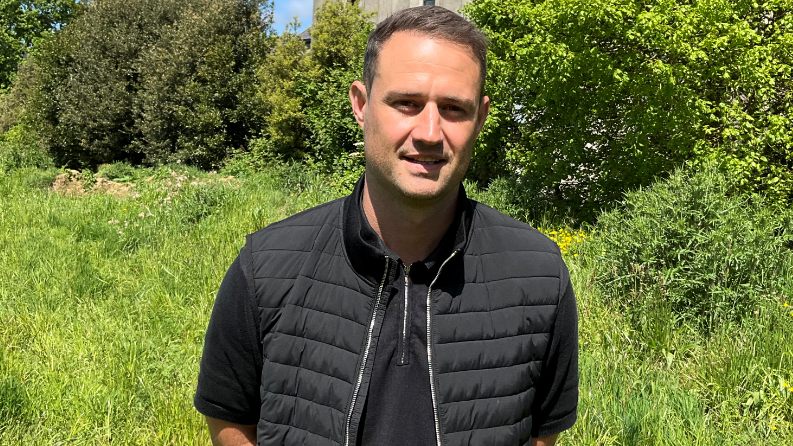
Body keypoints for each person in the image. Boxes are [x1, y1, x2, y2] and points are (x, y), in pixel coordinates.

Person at [194, 6, 578, 446]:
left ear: (481, 118)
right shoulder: (265, 267)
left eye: (454, 108)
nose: (430, 131)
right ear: (361, 104)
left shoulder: (539, 273)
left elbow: (543, 433)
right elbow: (231, 420)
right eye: (406, 103)